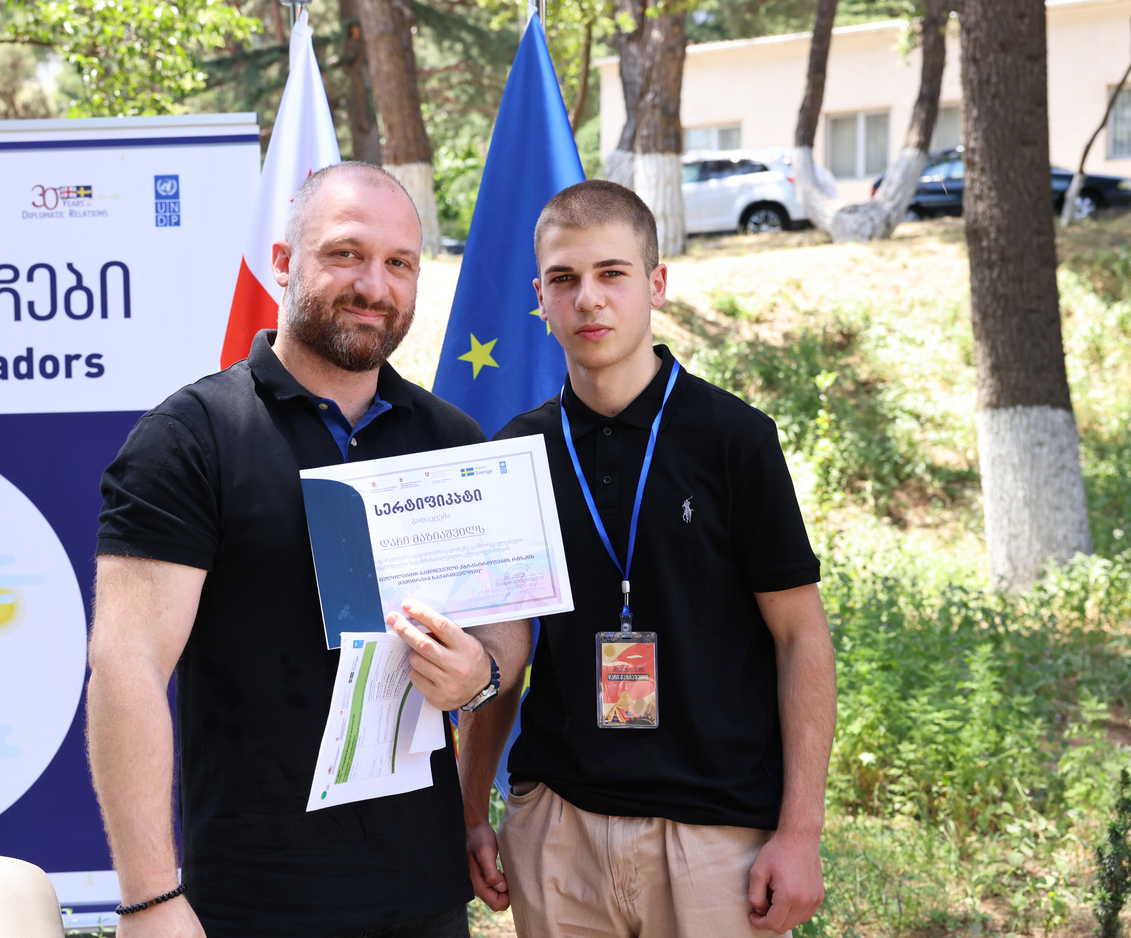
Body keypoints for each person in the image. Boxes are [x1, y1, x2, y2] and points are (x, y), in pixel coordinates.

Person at [90, 161, 532, 938]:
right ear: (283, 261)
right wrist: (149, 898)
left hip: (424, 897)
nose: (373, 285)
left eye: (399, 263)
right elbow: (127, 664)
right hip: (250, 904)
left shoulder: (453, 442)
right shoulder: (189, 439)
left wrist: (482, 672)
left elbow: (505, 626)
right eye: (345, 254)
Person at [457, 180, 836, 938]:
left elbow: (801, 637)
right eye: (563, 279)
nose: (588, 299)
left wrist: (799, 833)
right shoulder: (516, 451)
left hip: (714, 834)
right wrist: (470, 813)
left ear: (656, 283)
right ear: (540, 299)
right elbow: (504, 651)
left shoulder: (735, 440)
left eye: (612, 273)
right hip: (557, 824)